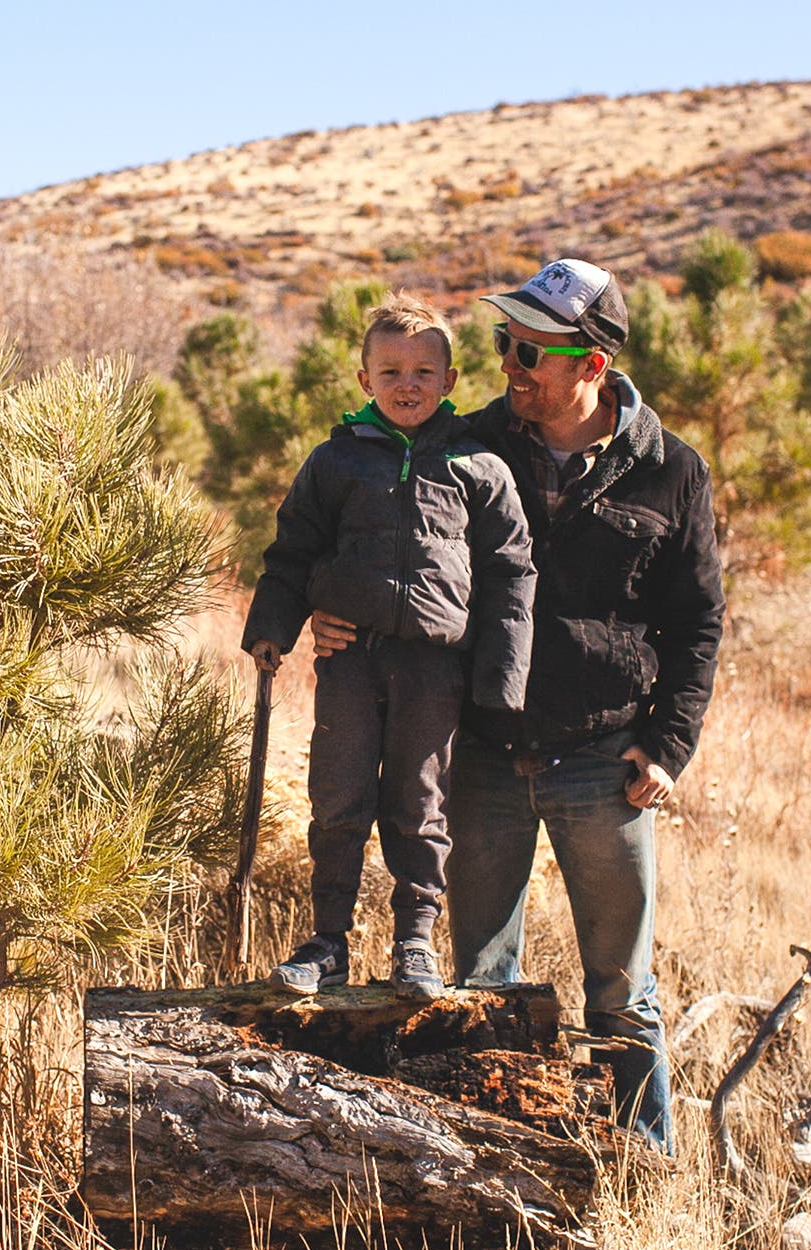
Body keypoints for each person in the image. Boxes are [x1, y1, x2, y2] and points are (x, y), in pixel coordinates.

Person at [313, 259, 725, 1149]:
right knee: (485, 986)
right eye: (504, 343)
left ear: (592, 364)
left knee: (623, 995)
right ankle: (505, 1177)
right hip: (482, 757)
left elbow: (699, 623)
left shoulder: (669, 470)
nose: (511, 361)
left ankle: (645, 1184)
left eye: (532, 349)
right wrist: (328, 607)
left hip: (603, 763)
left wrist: (667, 747)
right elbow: (362, 527)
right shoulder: (465, 442)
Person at [242, 291, 535, 1002]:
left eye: (424, 372)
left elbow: (511, 573)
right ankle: (327, 943)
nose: (409, 384)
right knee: (338, 800)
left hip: (435, 668)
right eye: (392, 371)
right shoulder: (337, 461)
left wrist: (501, 680)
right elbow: (293, 552)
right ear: (364, 380)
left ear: (451, 381)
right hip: (349, 660)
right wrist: (276, 626)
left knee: (420, 805)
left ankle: (414, 942)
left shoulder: (478, 466)